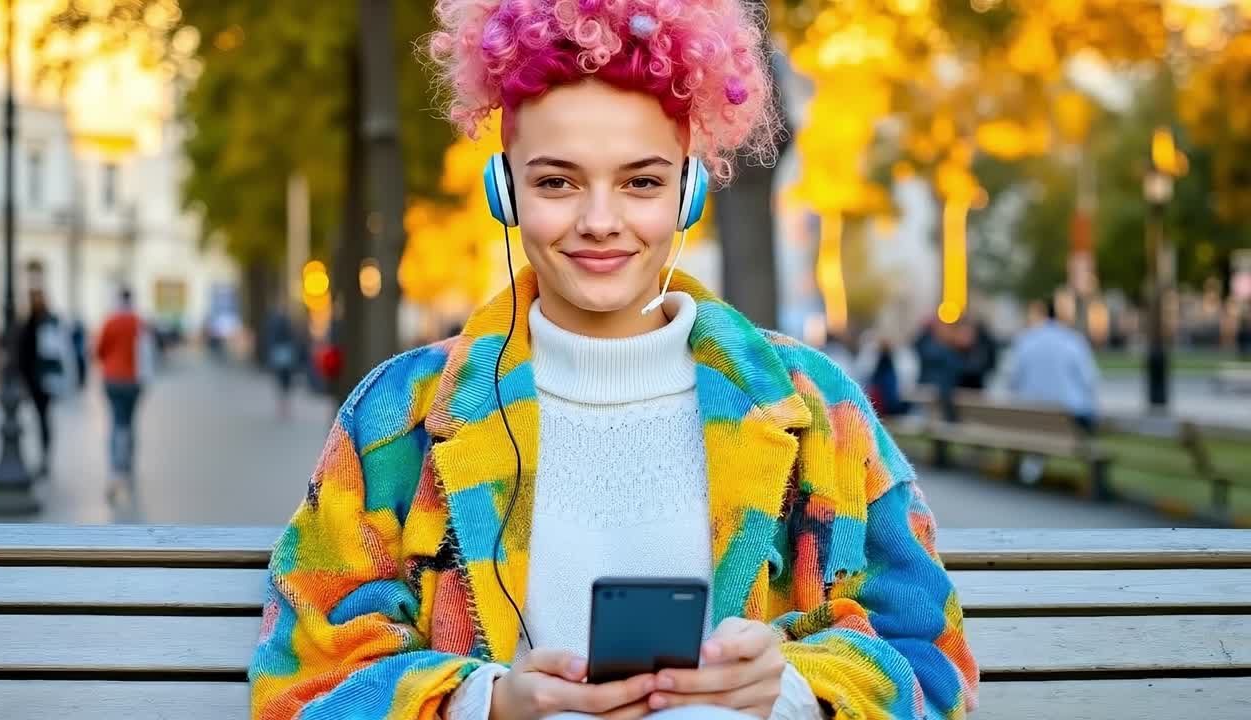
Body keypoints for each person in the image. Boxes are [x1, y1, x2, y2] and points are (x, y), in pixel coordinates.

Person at [250, 3, 979, 719]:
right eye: (556, 182)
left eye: (642, 182)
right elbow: (302, 681)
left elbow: (934, 662)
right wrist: (485, 703)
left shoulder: (814, 405)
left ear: (689, 190)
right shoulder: (399, 413)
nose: (600, 222)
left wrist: (790, 691)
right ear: (504, 189)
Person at [1007, 298, 1100, 483]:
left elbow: (1012, 379)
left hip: (1032, 416)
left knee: (1038, 424)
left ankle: (1033, 464)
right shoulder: (1072, 340)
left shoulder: (1026, 340)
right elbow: (1090, 379)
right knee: (1087, 417)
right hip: (1069, 416)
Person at [96, 288, 151, 495]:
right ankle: (128, 464)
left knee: (116, 422)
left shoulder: (111, 321)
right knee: (130, 422)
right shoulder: (139, 322)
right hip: (134, 380)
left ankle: (115, 469)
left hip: (113, 379)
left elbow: (100, 350)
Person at [16, 289, 72, 477]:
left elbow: (54, 350)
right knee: (40, 418)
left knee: (43, 418)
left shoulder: (48, 321)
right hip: (32, 377)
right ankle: (42, 456)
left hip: (43, 378)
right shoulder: (30, 321)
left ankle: (45, 457)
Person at [262, 303, 303, 420]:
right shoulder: (286, 321)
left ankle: (282, 405)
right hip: (285, 352)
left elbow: (269, 337)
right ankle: (285, 405)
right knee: (285, 379)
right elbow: (292, 336)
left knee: (281, 378)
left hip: (279, 351)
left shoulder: (273, 321)